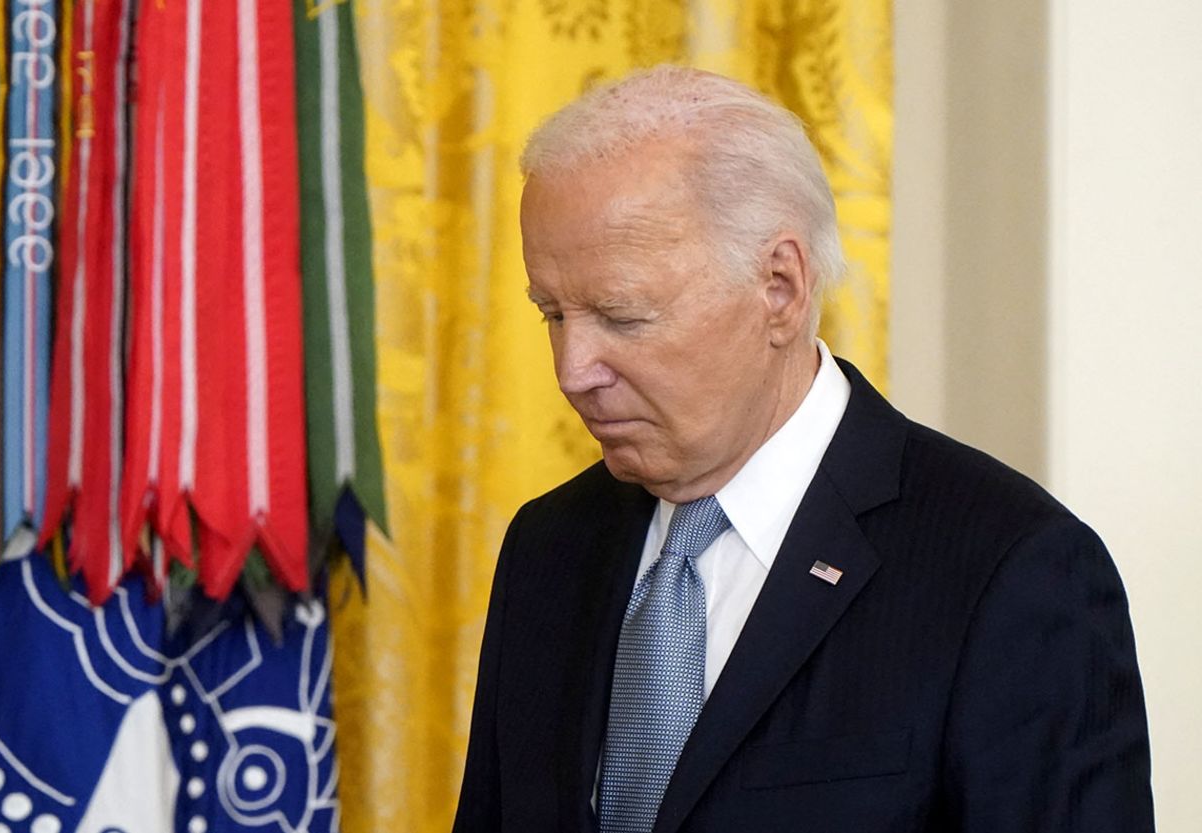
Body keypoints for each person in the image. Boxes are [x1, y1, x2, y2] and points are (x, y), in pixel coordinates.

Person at [452, 66, 1152, 833]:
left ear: (779, 288)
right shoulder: (549, 548)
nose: (572, 370)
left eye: (622, 316)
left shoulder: (1010, 568)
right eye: (551, 312)